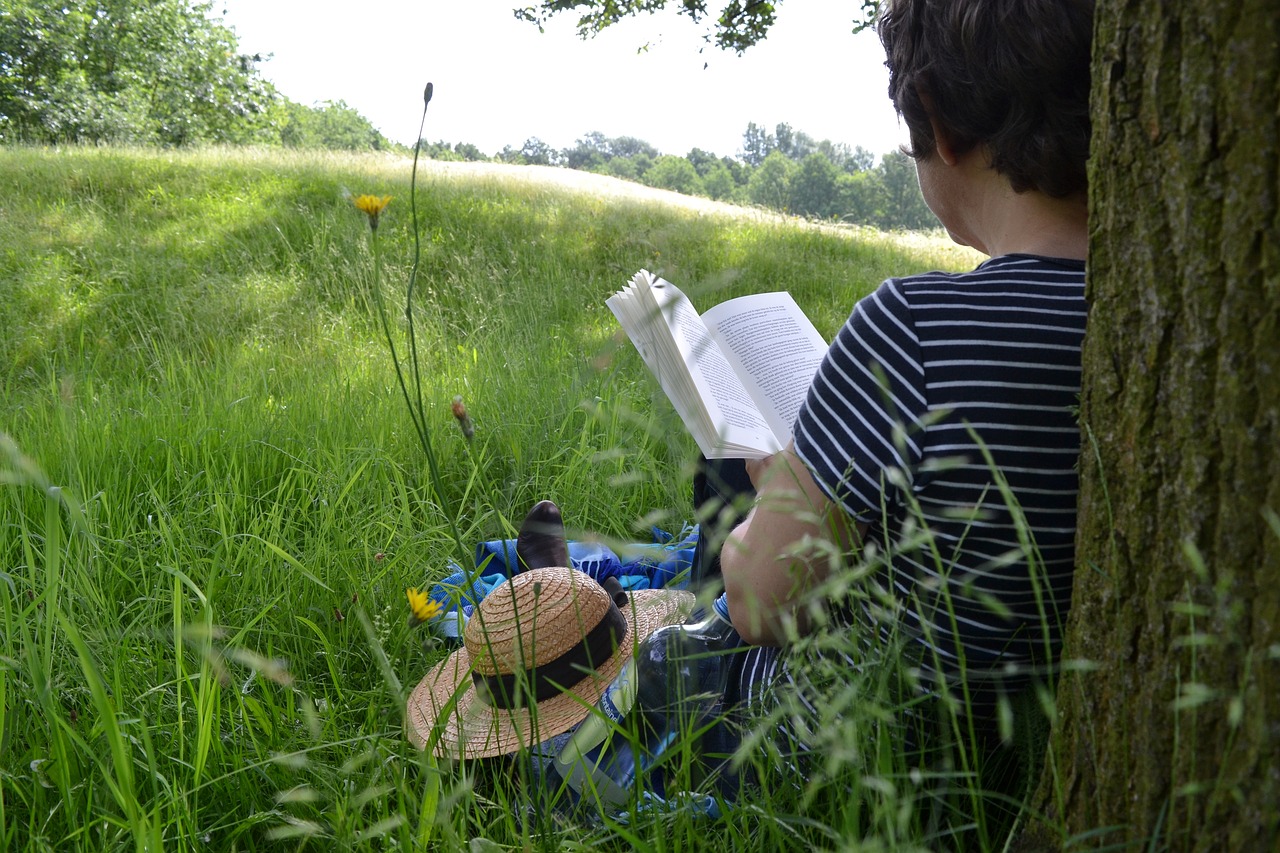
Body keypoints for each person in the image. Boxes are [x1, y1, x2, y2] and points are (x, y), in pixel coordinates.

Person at [700, 0, 1095, 763]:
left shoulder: (912, 323)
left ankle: (592, 610)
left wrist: (775, 490)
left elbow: (759, 606)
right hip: (1023, 755)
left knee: (718, 522)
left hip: (866, 752)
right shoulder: (1148, 314)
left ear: (937, 126)